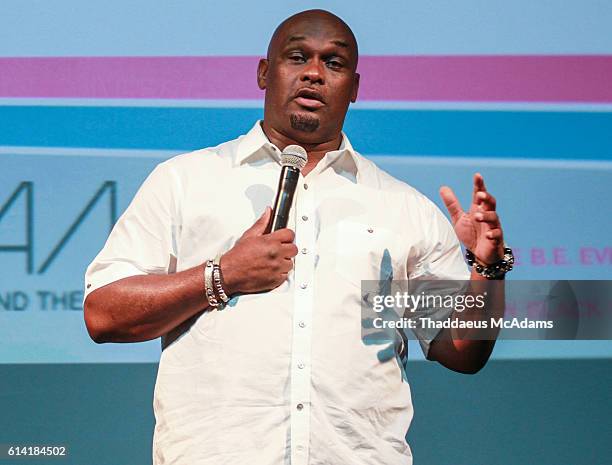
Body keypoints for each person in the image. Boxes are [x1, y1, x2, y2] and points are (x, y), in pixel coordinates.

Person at [84, 9, 510, 465]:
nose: (313, 73)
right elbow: (104, 315)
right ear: (265, 73)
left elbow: (462, 351)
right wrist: (223, 274)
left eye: (333, 63)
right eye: (297, 57)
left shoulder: (404, 209)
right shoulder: (183, 181)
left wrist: (487, 270)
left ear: (355, 88)